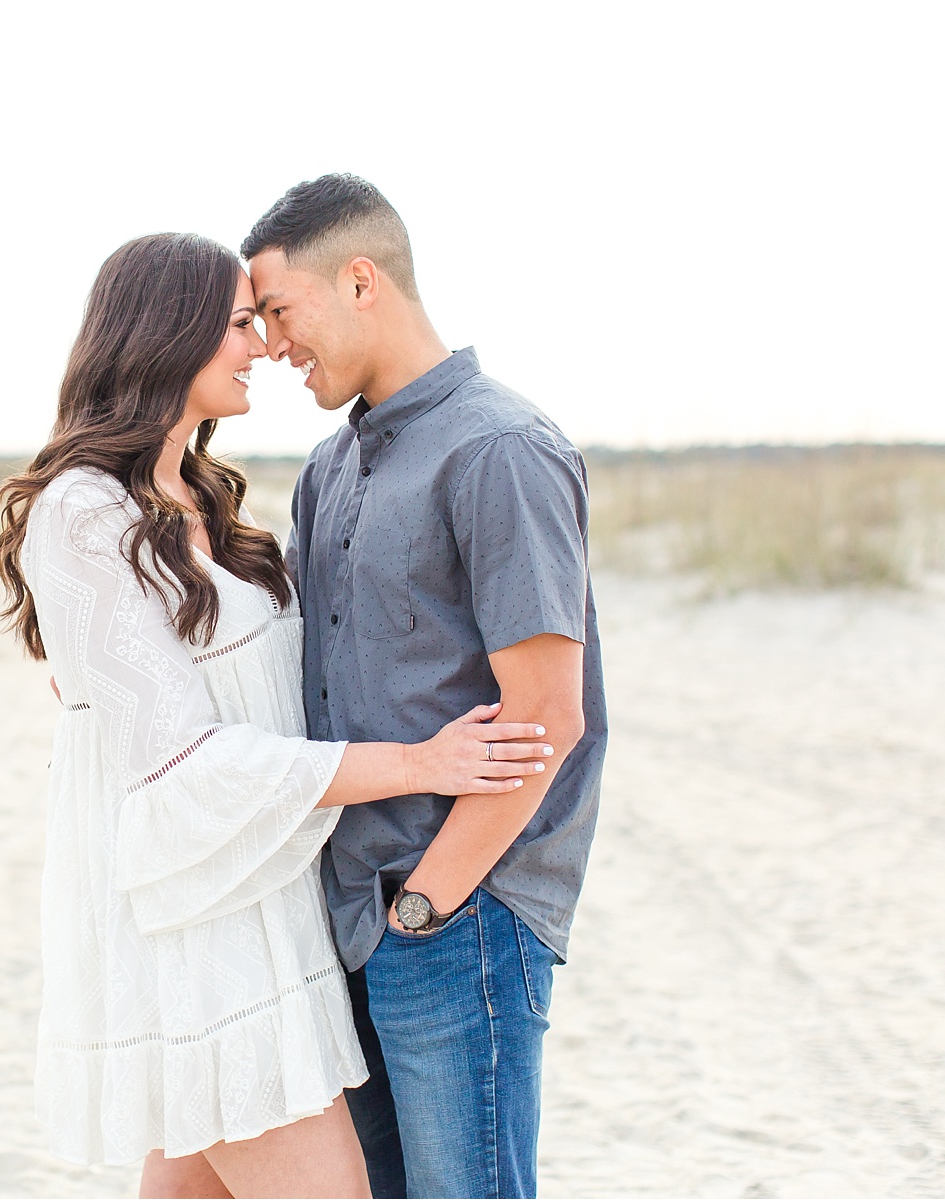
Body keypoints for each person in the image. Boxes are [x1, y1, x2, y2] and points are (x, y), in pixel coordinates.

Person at [0, 232, 556, 1198]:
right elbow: (182, 766)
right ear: (166, 336)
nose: (257, 345)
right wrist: (417, 763)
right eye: (237, 324)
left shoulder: (200, 495)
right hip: (198, 927)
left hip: (264, 903)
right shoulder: (83, 512)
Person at [241, 175, 608, 1199]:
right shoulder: (330, 469)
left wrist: (429, 904)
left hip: (458, 918)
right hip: (350, 919)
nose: (270, 343)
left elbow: (550, 712)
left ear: (361, 280)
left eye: (279, 310)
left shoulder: (500, 448)